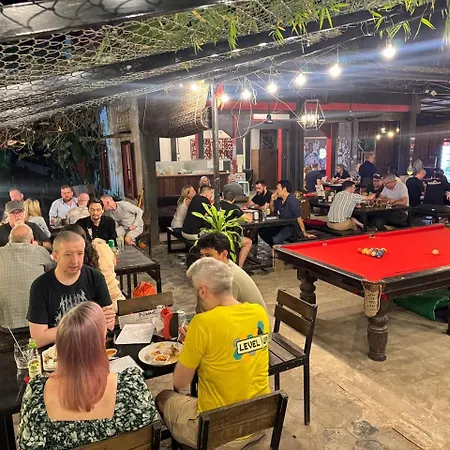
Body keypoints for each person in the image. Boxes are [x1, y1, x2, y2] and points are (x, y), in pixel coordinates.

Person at [155, 258, 269, 448]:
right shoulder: (259, 313)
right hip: (260, 422)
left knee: (163, 398)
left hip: (219, 433)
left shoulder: (202, 323)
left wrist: (193, 344)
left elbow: (181, 382)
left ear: (202, 291)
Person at [18, 301, 159, 450]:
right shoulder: (133, 388)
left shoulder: (36, 397)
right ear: (101, 342)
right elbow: (151, 427)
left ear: (60, 347)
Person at [27, 231, 115, 348]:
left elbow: (109, 323)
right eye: (68, 254)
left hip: (91, 347)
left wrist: (60, 331)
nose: (75, 260)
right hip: (57, 352)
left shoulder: (95, 277)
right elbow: (38, 339)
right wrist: (89, 323)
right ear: (55, 256)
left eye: (80, 254)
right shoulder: (40, 287)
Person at [0, 224, 53, 332]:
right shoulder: (40, 251)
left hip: (6, 324)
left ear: (9, 239)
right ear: (32, 240)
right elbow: (53, 274)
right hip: (39, 322)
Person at [195, 232, 267, 312]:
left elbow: (223, 313)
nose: (203, 260)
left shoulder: (229, 279)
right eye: (202, 255)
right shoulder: (219, 270)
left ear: (224, 254)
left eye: (208, 256)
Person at [64, 224, 125, 312]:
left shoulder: (73, 263)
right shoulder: (102, 246)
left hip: (98, 310)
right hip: (118, 301)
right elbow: (114, 262)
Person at [259, 180, 315, 247]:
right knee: (263, 232)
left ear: (284, 189)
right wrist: (272, 200)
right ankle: (276, 248)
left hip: (291, 226)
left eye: (278, 189)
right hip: (280, 224)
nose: (276, 191)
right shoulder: (279, 199)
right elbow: (272, 210)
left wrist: (304, 232)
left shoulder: (292, 200)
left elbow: (298, 217)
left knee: (276, 240)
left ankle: (284, 250)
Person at [220, 191, 253, 268]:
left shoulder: (217, 205)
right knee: (248, 242)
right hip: (229, 237)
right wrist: (249, 215)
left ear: (223, 197)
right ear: (234, 200)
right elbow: (248, 219)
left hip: (218, 235)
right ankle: (239, 267)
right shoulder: (234, 208)